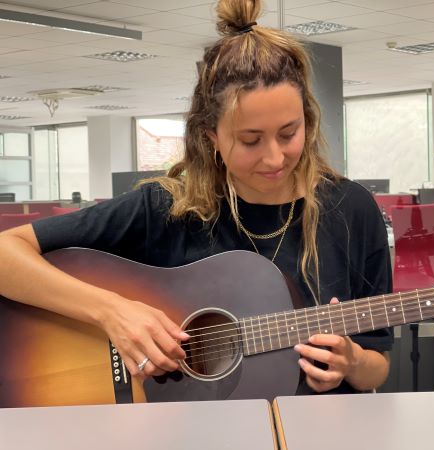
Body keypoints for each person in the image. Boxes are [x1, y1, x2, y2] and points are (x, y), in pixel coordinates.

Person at [0, 0, 392, 396]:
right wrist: (112, 312)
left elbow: (377, 367)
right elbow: (6, 252)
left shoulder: (351, 208)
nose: (275, 157)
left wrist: (353, 362)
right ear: (212, 138)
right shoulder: (166, 208)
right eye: (250, 140)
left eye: (289, 132)